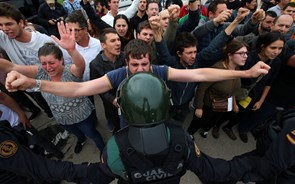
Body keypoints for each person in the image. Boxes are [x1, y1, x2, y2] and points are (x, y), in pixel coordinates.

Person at [0, 21, 105, 154]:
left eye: (51, 62)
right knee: (76, 133)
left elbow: (80, 65)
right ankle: (81, 139)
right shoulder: (40, 72)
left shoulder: (70, 71)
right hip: (62, 118)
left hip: (82, 116)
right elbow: (13, 67)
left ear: (61, 60)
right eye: (43, 63)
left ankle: (103, 151)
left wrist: (71, 50)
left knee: (93, 134)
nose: (48, 67)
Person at [221, 31, 285, 143]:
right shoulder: (248, 58)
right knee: (227, 109)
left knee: (241, 113)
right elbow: (235, 79)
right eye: (273, 47)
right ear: (263, 46)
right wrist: (234, 102)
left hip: (252, 95)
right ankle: (216, 125)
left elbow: (269, 83)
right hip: (235, 91)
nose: (276, 52)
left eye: (280, 49)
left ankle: (228, 127)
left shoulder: (276, 63)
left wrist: (261, 101)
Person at [187, 39, 248, 139]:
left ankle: (205, 130)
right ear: (230, 55)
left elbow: (232, 89)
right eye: (241, 53)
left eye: (246, 53)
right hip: (208, 104)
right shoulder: (217, 69)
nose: (245, 56)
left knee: (213, 121)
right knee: (199, 120)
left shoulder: (237, 69)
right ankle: (189, 134)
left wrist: (234, 104)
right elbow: (202, 87)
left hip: (223, 104)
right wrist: (198, 107)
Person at [0, 90, 64, 159]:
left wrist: (21, 114)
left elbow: (4, 98)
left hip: (15, 122)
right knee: (19, 150)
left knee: (37, 138)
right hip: (4, 132)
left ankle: (53, 151)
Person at [90, 28, 125, 132]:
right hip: (110, 103)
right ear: (103, 45)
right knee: (114, 122)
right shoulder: (95, 65)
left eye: (118, 40)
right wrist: (112, 99)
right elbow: (98, 89)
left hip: (126, 97)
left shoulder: (124, 56)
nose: (118, 43)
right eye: (113, 41)